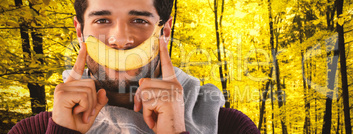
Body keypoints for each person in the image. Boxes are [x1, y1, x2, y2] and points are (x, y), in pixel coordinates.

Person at [9, 0, 259, 133]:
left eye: (138, 20)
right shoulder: (35, 131)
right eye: (102, 20)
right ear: (79, 31)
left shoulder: (230, 127)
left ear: (166, 31)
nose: (121, 40)